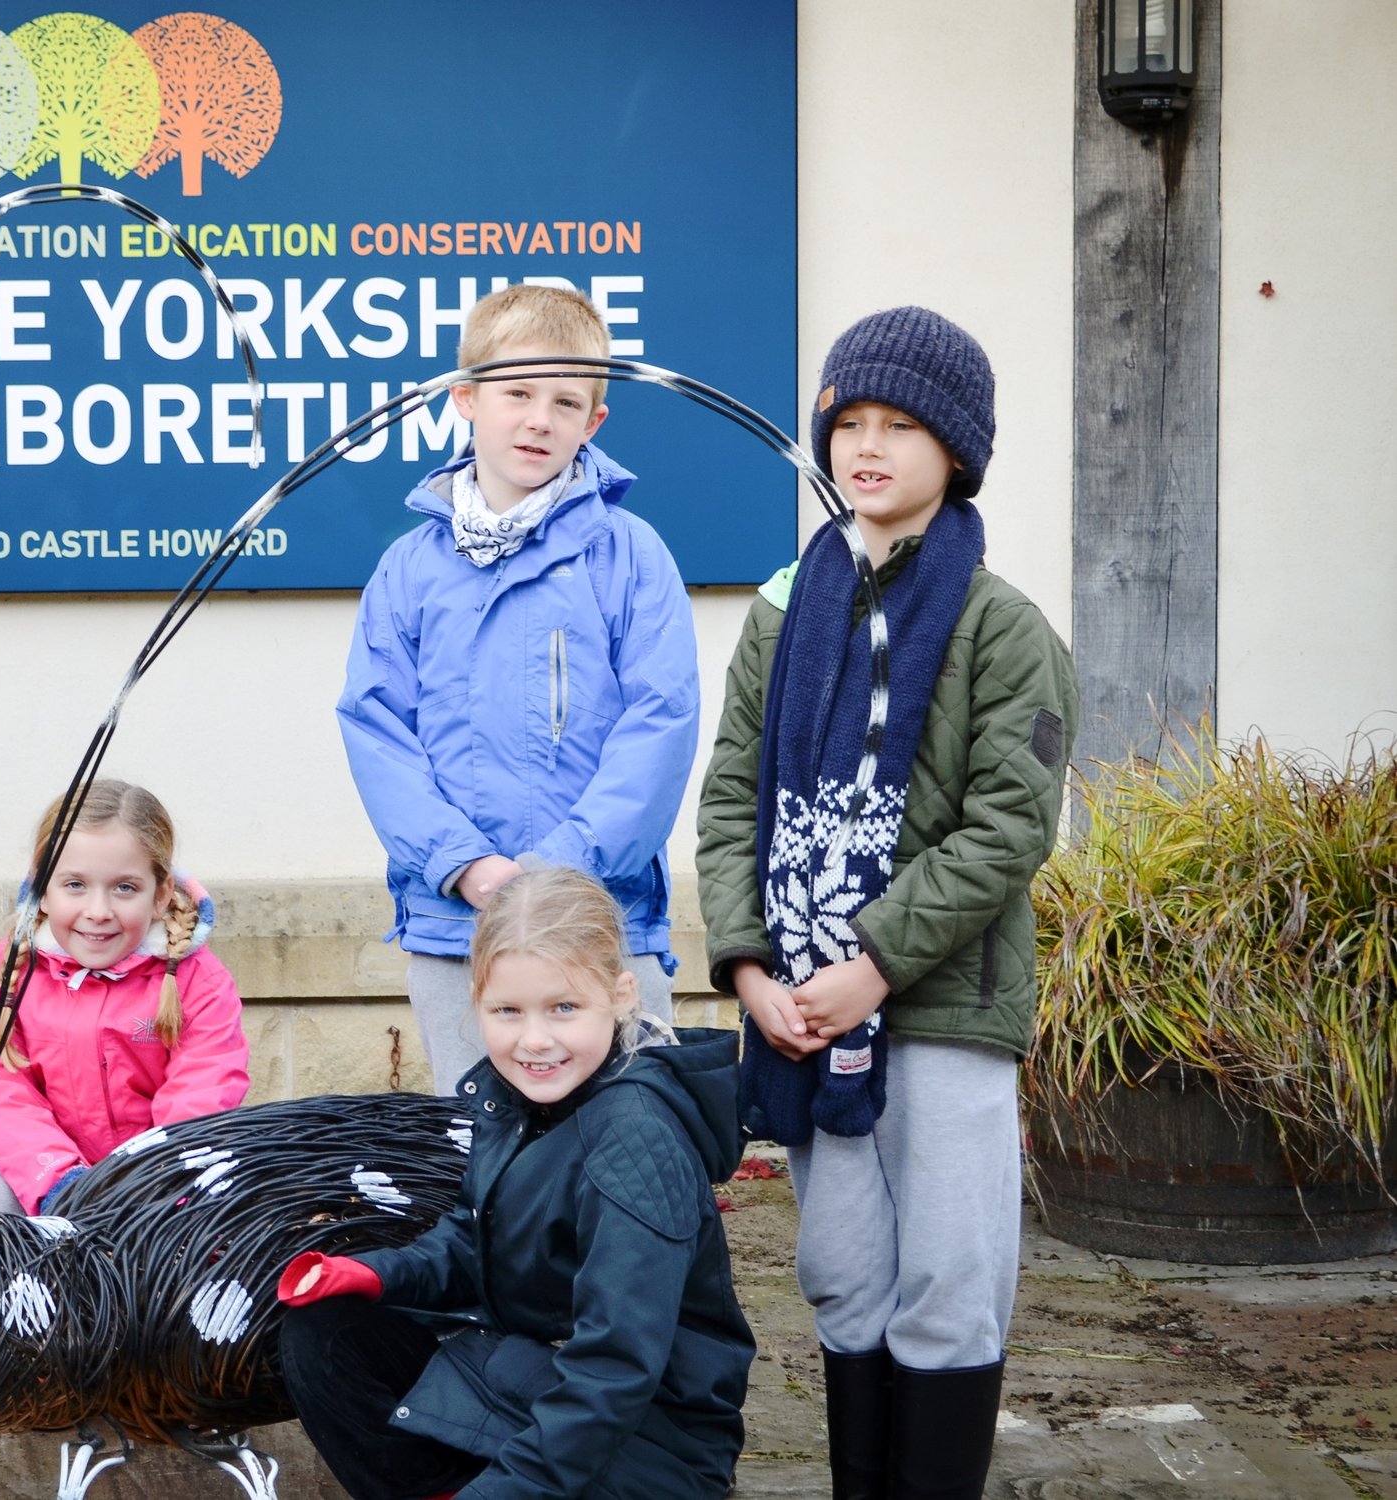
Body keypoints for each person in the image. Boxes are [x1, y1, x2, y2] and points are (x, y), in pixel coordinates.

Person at [694, 307, 1078, 1499]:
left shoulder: (1004, 629)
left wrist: (869, 964)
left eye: (898, 425)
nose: (866, 446)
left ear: (954, 450)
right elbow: (727, 802)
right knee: (844, 1271)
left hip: (940, 1009)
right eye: (847, 422)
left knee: (948, 1285)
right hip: (804, 1009)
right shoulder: (780, 613)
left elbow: (1007, 829)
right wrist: (754, 971)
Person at [273, 866, 752, 1500]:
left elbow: (614, 1367)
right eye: (507, 1011)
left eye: (564, 1007)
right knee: (326, 1331)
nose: (534, 1040)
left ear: (622, 994)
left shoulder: (635, 1138)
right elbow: (478, 1237)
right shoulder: (519, 1099)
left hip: (649, 1439)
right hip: (532, 1370)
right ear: (477, 1003)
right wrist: (380, 1272)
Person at [338, 283, 700, 1095]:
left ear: (594, 421)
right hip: (454, 930)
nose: (540, 418)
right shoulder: (408, 570)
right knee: (483, 1160)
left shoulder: (631, 556)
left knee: (628, 1153)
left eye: (566, 401)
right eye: (517, 393)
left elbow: (661, 722)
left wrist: (561, 872)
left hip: (603, 927)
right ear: (466, 398)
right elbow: (375, 728)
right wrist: (464, 865)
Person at [0, 779, 249, 1227]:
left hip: (160, 1191)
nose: (98, 910)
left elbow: (201, 1097)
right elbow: (0, 1096)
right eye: (75, 885)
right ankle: (8, 1296)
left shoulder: (197, 980)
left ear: (161, 893)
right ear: (42, 889)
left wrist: (139, 1187)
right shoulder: (7, 972)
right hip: (47, 1186)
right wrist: (62, 1184)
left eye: (125, 888)